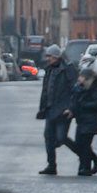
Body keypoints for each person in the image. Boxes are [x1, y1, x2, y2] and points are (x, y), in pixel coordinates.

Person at [35, 45, 75, 175]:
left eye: (50, 56)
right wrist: (43, 107)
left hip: (63, 110)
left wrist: (71, 107)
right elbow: (46, 90)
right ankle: (51, 165)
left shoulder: (68, 69)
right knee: (48, 137)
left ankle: (87, 155)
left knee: (61, 138)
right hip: (50, 109)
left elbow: (74, 90)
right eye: (47, 56)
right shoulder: (49, 70)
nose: (48, 59)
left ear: (57, 57)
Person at [70, 68, 97, 176]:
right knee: (81, 144)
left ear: (87, 78)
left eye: (81, 76)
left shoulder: (94, 89)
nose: (79, 78)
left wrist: (83, 105)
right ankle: (92, 163)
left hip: (91, 121)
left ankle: (86, 168)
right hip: (82, 120)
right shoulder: (81, 88)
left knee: (84, 145)